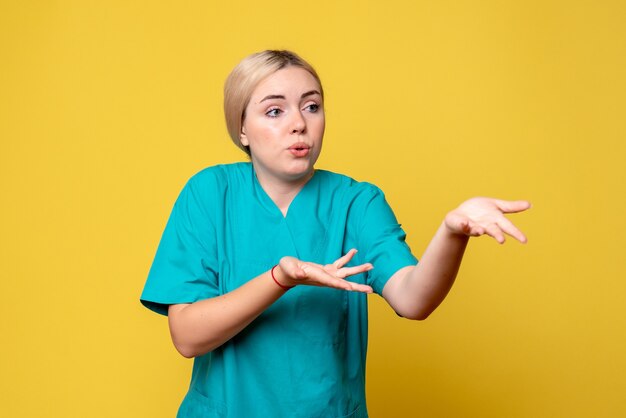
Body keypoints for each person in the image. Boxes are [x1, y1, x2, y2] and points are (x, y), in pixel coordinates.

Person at [140, 50, 530, 418]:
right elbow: (188, 337)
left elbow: (413, 299)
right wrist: (280, 278)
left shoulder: (355, 202)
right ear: (241, 128)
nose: (299, 123)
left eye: (311, 106)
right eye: (274, 110)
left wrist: (451, 233)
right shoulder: (210, 194)